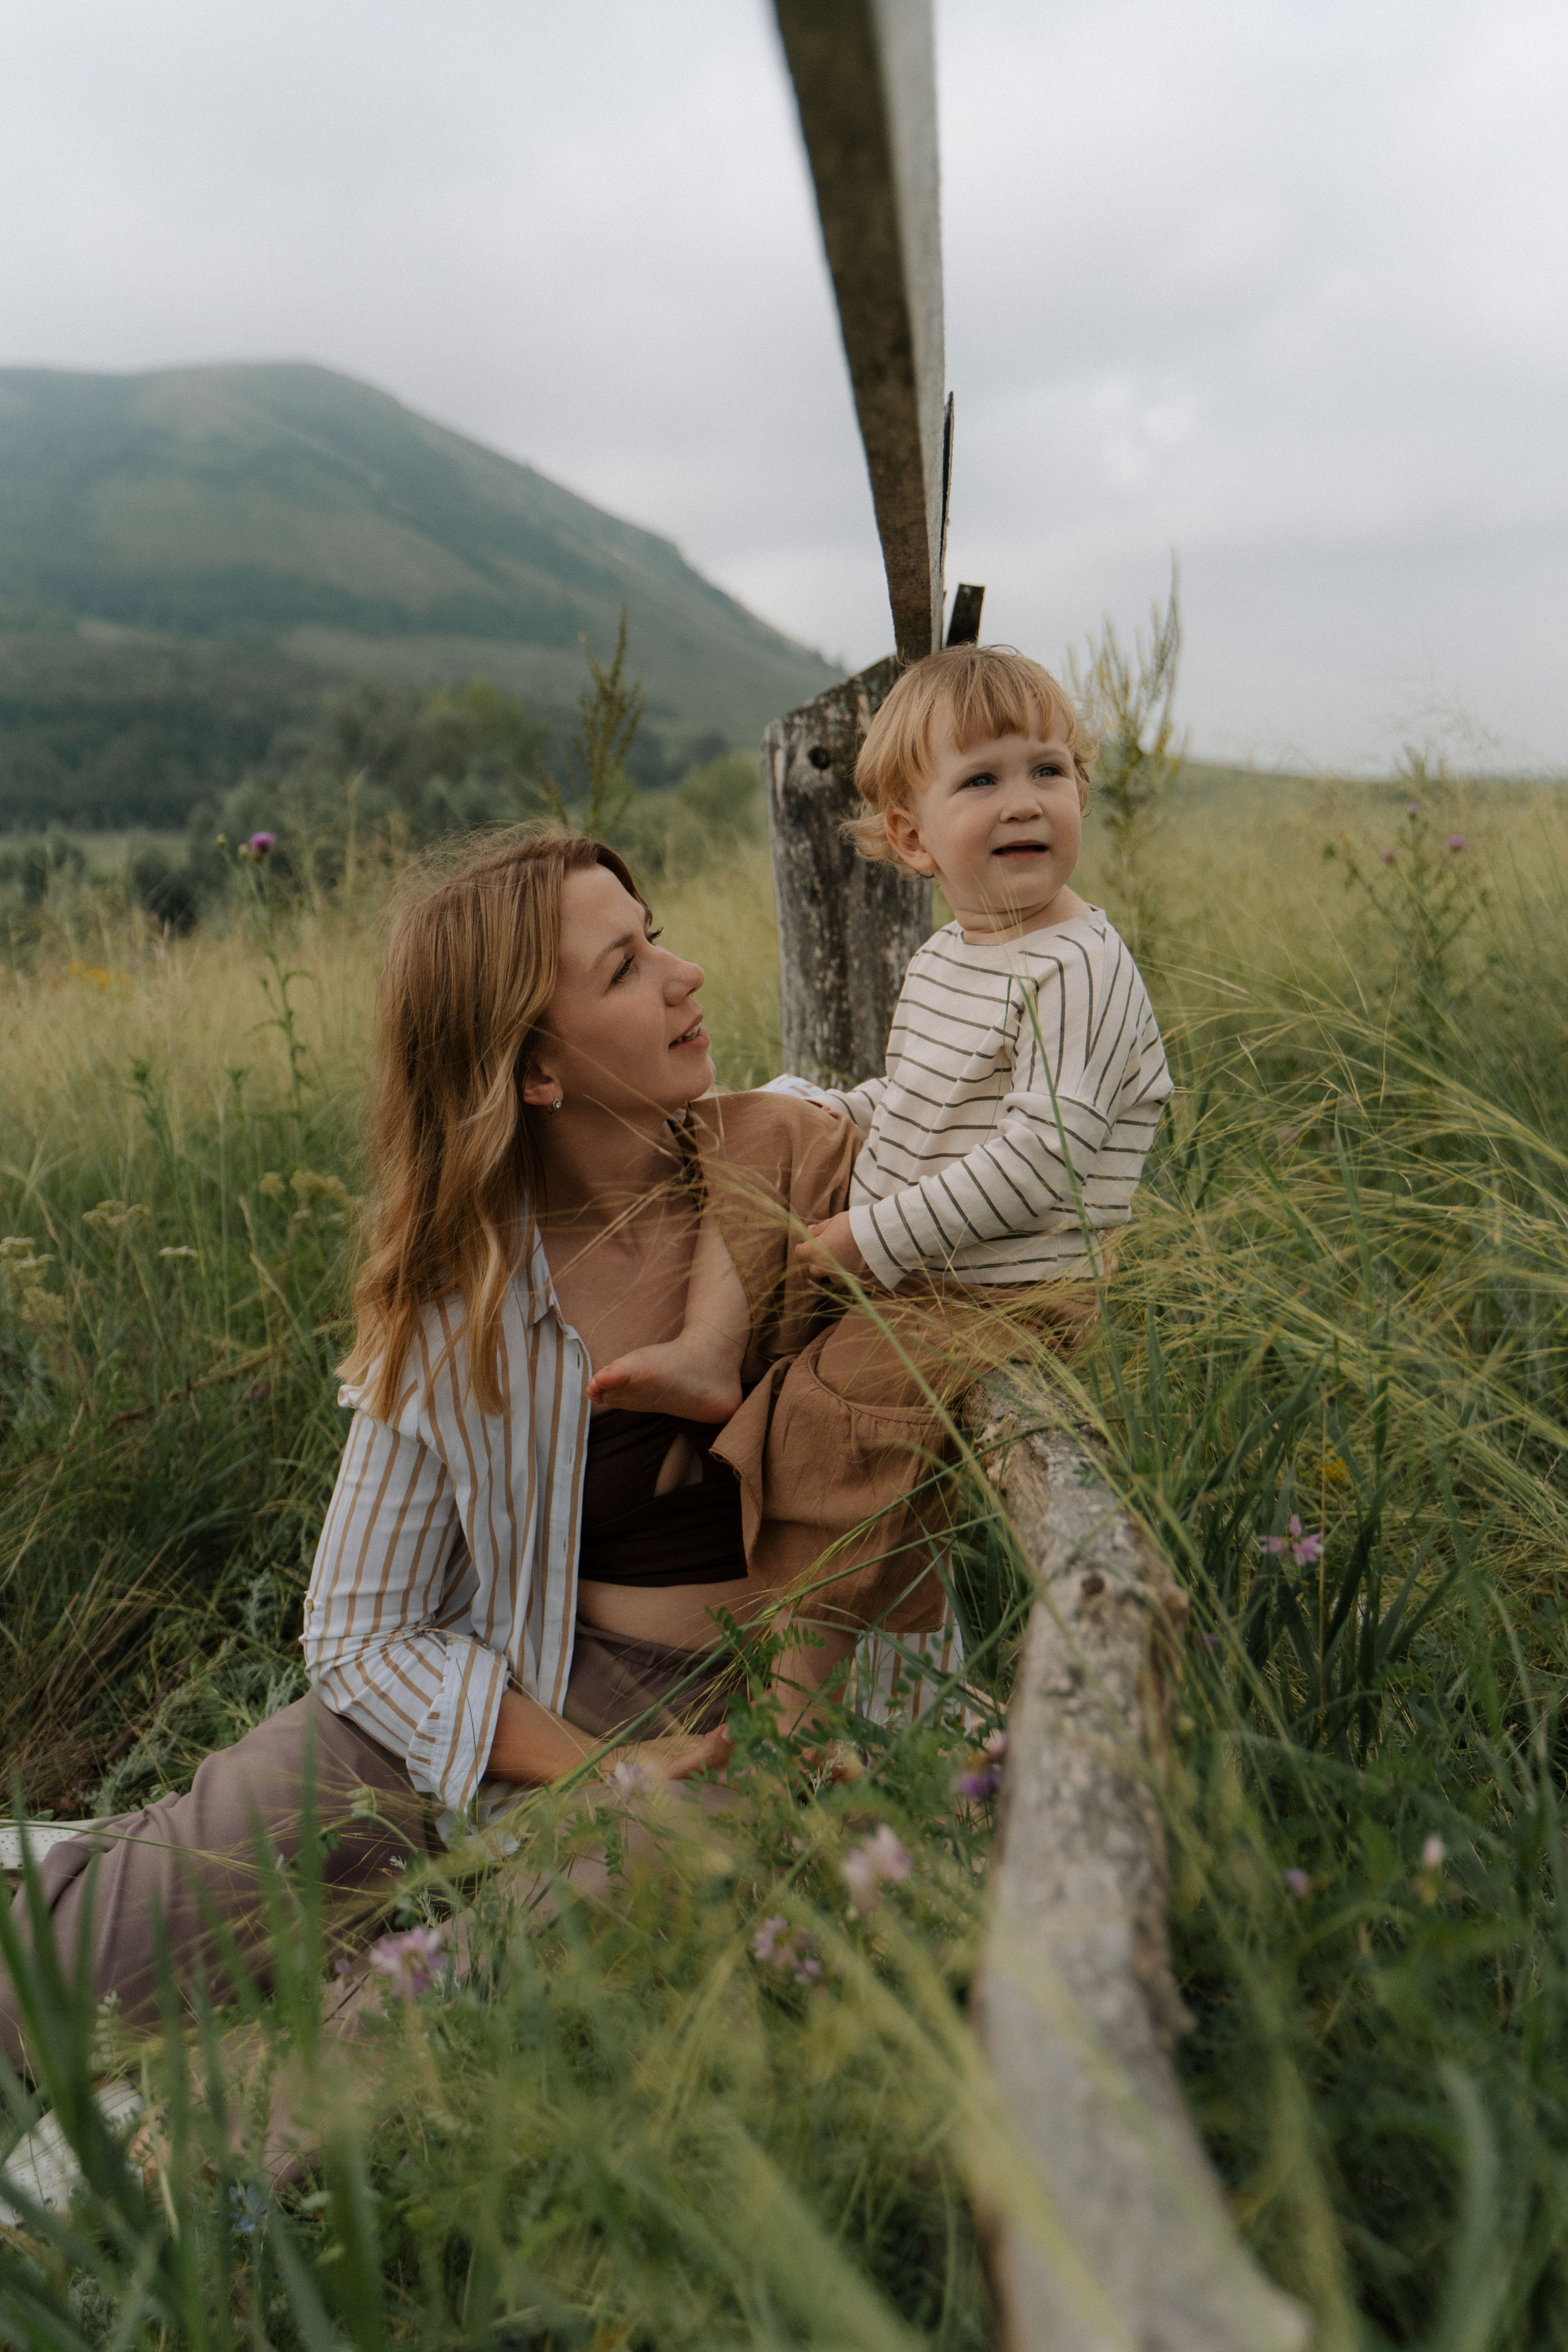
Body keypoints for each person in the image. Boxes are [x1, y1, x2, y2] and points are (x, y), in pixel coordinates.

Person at [0, 832, 862, 2076]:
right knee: (96, 1964)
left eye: (652, 933)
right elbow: (361, 1633)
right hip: (502, 1687)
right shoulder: (464, 1297)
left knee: (519, 1972)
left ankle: (236, 2149)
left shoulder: (795, 1164)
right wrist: (599, 1773)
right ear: (536, 1071)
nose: (684, 977)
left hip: (747, 1720)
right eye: (624, 968)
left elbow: (974, 1131)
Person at [593, 643, 1174, 1642]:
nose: (1027, 801)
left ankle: (803, 1696)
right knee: (753, 1123)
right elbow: (923, 1100)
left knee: (833, 1407)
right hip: (922, 1237)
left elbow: (1046, 1160)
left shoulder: (1077, 965)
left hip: (1000, 1284)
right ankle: (709, 1351)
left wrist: (872, 1237)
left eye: (1050, 770)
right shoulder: (954, 952)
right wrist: (840, 1111)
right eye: (983, 780)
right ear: (913, 838)